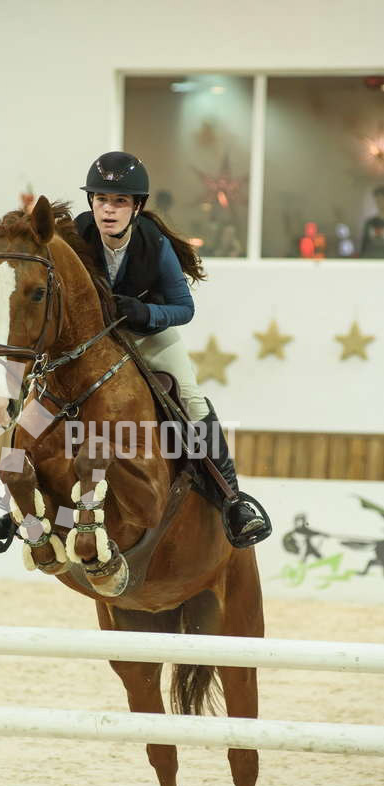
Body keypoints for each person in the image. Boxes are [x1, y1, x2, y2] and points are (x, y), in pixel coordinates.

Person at [73, 151, 270, 548]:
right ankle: (8, 501)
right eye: (101, 200)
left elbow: (184, 308)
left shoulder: (155, 243)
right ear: (91, 202)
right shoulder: (75, 238)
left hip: (147, 335)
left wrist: (145, 312)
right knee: (42, 390)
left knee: (192, 399)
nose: (108, 210)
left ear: (136, 207)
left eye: (119, 201)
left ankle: (233, 501)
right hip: (94, 341)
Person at [360, 185, 384, 258]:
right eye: (378, 200)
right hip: (372, 260)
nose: (380, 202)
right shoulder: (369, 223)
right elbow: (364, 245)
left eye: (382, 199)